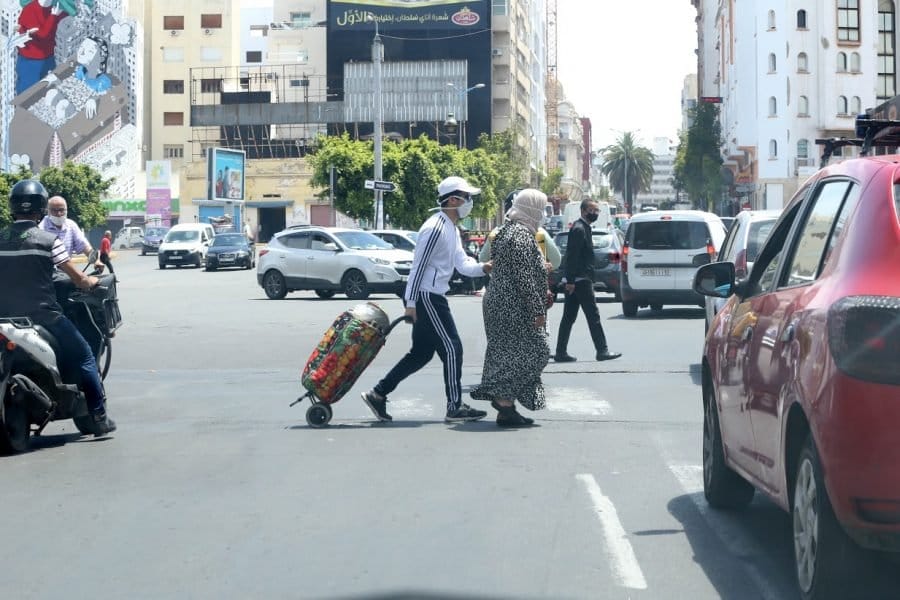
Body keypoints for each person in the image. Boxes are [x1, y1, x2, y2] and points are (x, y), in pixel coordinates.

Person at [361, 176, 493, 423]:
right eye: (467, 197)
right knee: (453, 348)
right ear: (453, 199)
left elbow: (462, 264)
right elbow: (418, 267)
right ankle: (454, 406)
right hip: (427, 296)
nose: (469, 202)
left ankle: (378, 393)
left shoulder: (450, 228)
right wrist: (411, 304)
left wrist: (484, 267)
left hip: (432, 295)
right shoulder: (435, 228)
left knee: (421, 354)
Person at [0, 179, 115, 435]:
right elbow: (78, 279)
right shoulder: (48, 240)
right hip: (43, 316)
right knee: (85, 355)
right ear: (41, 208)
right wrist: (92, 281)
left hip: (3, 317)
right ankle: (98, 417)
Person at [470, 189, 551, 427]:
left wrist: (540, 270)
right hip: (513, 305)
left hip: (499, 302)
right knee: (538, 351)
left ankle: (506, 411)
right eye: (542, 208)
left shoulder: (507, 232)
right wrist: (537, 310)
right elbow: (522, 276)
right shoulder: (521, 236)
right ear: (532, 209)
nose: (544, 214)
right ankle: (502, 398)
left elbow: (511, 267)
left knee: (505, 354)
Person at [553, 199, 622, 362]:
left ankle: (561, 352)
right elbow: (572, 256)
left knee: (568, 317)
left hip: (577, 279)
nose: (595, 214)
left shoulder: (583, 228)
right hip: (580, 280)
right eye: (592, 210)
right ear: (583, 211)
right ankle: (602, 350)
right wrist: (570, 280)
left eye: (597, 211)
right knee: (593, 316)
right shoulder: (579, 229)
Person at [480, 189, 562, 270]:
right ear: (531, 210)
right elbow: (556, 261)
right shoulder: (540, 233)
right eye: (540, 210)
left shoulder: (496, 232)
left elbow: (482, 260)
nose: (543, 214)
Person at [13, 0, 68, 95]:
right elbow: (42, 34)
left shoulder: (55, 8)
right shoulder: (30, 10)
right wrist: (53, 16)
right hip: (30, 62)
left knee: (49, 91)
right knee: (27, 95)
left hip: (48, 58)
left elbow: (64, 17)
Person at [39, 195, 104, 272]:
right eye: (54, 210)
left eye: (61, 210)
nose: (59, 213)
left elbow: (84, 246)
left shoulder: (71, 225)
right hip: (46, 273)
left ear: (66, 210)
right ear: (48, 211)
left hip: (66, 273)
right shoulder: (41, 228)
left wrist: (96, 260)